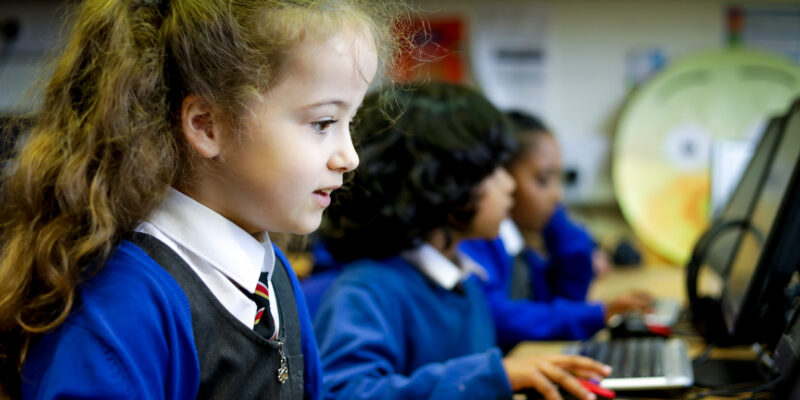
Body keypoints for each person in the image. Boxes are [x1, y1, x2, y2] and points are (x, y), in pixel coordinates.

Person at [0, 0, 401, 398]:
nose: (350, 156)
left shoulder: (274, 275)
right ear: (207, 126)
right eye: (323, 122)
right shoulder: (122, 306)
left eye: (351, 121)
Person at [314, 82, 611, 400]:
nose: (509, 185)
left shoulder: (466, 282)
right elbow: (343, 392)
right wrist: (490, 377)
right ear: (444, 185)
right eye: (493, 171)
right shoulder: (368, 291)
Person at [460, 110, 652, 349]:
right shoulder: (475, 242)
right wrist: (596, 314)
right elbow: (495, 316)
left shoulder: (517, 247)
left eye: (559, 179)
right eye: (543, 180)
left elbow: (566, 296)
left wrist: (556, 219)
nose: (557, 194)